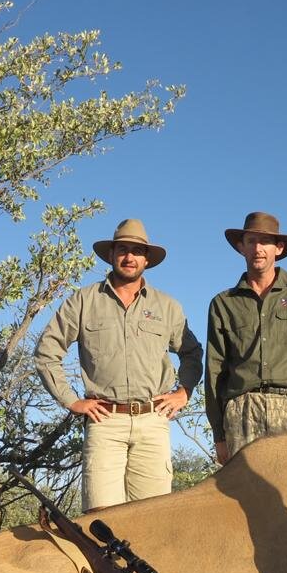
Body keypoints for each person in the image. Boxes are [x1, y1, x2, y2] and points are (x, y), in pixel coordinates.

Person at [35, 219, 203, 511]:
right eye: (123, 250)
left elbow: (192, 352)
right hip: (104, 422)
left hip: (153, 420)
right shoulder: (83, 301)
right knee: (100, 520)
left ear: (146, 259)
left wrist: (184, 391)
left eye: (137, 251)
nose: (129, 257)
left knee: (153, 518)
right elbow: (47, 352)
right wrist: (71, 400)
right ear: (111, 255)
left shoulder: (168, 306)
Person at [205, 211, 287, 465]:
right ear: (241, 247)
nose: (258, 248)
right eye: (251, 241)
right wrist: (219, 435)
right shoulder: (222, 303)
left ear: (278, 248)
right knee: (241, 498)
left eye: (265, 242)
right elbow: (214, 372)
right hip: (242, 411)